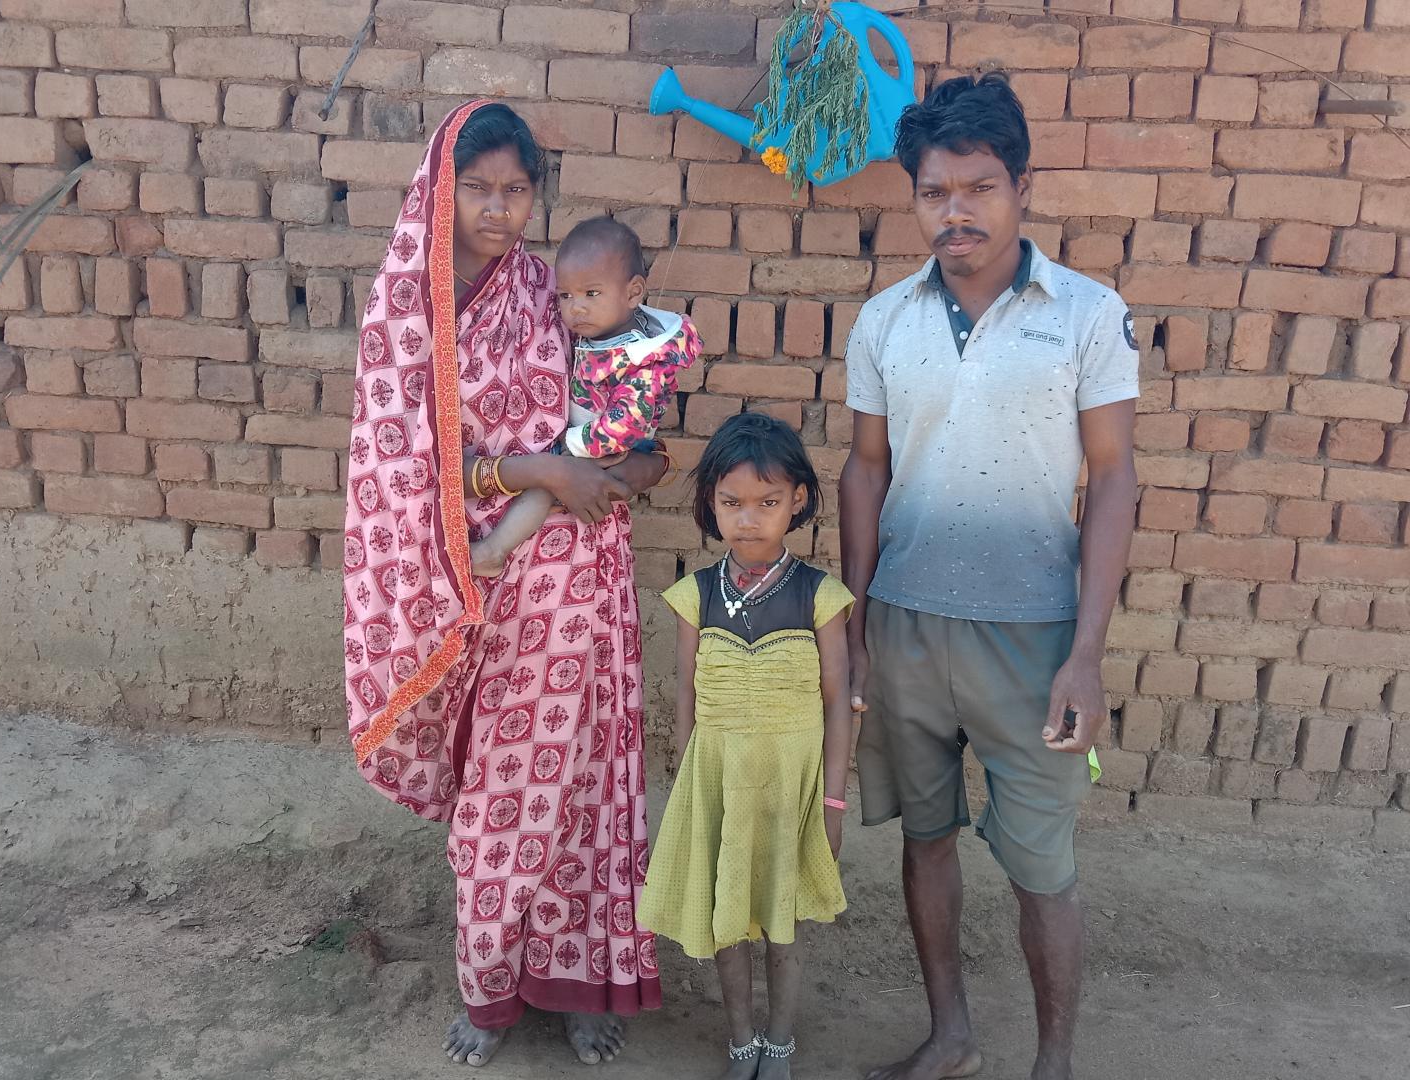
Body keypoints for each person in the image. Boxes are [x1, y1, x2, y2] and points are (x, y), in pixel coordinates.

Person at [343, 100, 670, 1069]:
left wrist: (623, 468)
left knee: (581, 786)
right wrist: (535, 474)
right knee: (497, 800)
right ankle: (489, 989)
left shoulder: (556, 287)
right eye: (478, 187)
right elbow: (400, 469)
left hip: (580, 587)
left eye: (516, 190)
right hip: (472, 592)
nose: (499, 208)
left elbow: (624, 414)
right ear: (441, 189)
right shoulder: (408, 314)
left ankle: (580, 981)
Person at [839, 73, 1139, 1080]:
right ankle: (952, 1036)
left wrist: (1087, 655)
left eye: (978, 188)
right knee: (925, 840)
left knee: (1042, 867)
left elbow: (1112, 477)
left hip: (1035, 638)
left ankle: (1053, 1061)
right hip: (908, 630)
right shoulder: (883, 323)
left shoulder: (1089, 316)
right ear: (914, 196)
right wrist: (856, 628)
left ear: (1022, 186)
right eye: (934, 192)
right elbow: (866, 469)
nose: (954, 212)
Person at [641, 412, 856, 1080]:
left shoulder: (821, 596)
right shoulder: (693, 596)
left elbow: (838, 703)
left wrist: (834, 801)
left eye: (768, 503)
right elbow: (685, 696)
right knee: (727, 920)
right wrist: (688, 785)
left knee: (786, 924)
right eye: (732, 504)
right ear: (710, 504)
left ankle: (780, 1044)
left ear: (798, 502)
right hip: (720, 784)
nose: (749, 519)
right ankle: (741, 1044)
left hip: (792, 788)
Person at [469, 216, 701, 577]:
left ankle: (492, 551)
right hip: (594, 437)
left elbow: (626, 422)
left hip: (610, 448)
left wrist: (571, 446)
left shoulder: (647, 356)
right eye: (566, 295)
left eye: (591, 294)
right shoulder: (604, 330)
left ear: (634, 292)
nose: (576, 307)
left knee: (543, 490)